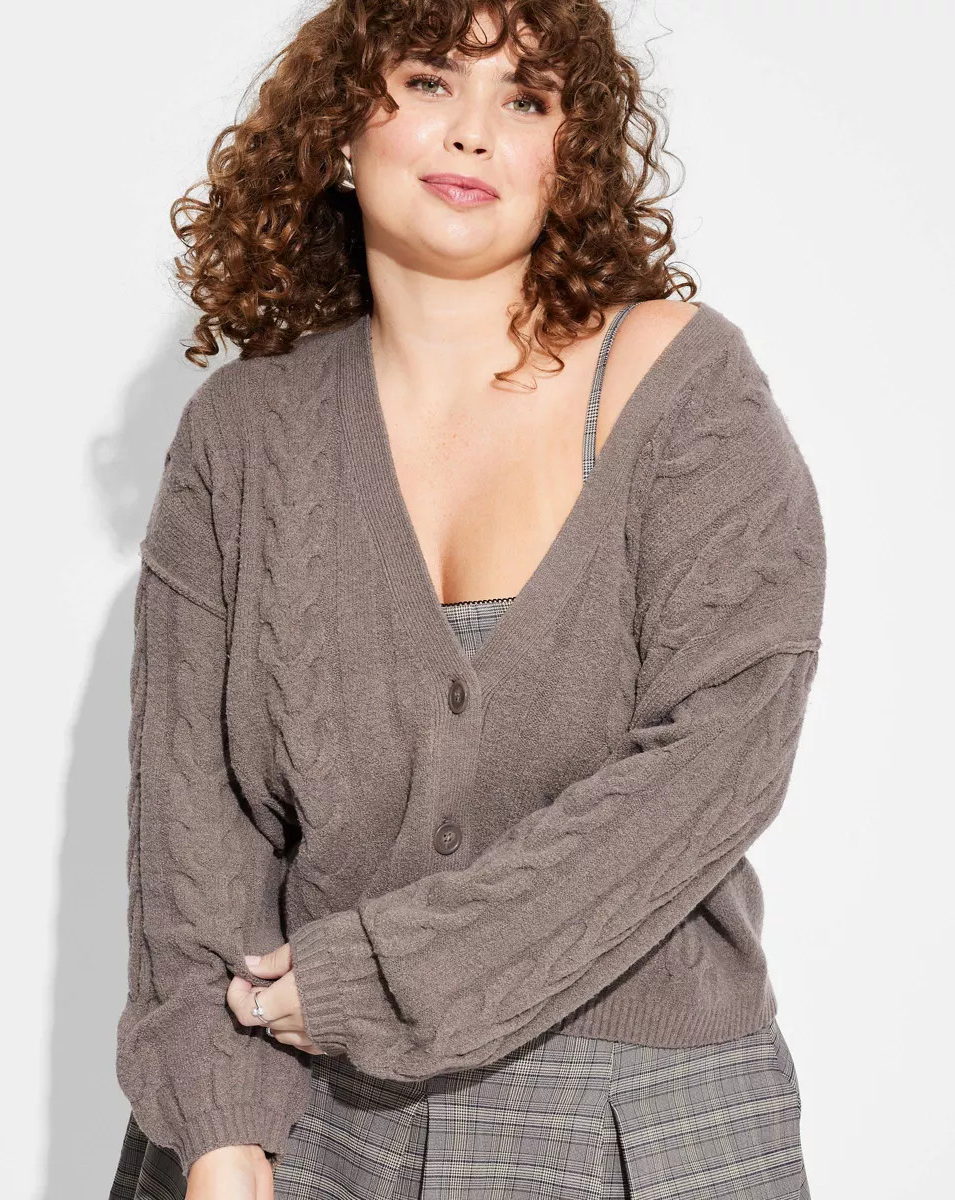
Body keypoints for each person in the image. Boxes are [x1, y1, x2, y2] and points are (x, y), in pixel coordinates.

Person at [110, 2, 825, 1198]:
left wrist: (392, 975)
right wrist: (221, 1133)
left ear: (568, 158)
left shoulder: (680, 386)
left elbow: (722, 757)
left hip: (634, 1125)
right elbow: (195, 826)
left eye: (526, 98)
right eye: (432, 80)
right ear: (342, 123)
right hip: (310, 1126)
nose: (475, 131)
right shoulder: (243, 436)